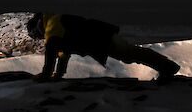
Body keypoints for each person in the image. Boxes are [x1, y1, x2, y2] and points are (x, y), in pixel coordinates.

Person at [26, 12, 180, 83]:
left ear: (38, 27)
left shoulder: (53, 24)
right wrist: (58, 75)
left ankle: (167, 67)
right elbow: (62, 52)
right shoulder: (55, 24)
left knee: (128, 53)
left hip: (101, 38)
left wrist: (47, 75)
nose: (40, 37)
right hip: (101, 37)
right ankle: (167, 67)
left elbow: (52, 49)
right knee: (129, 54)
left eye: (37, 35)